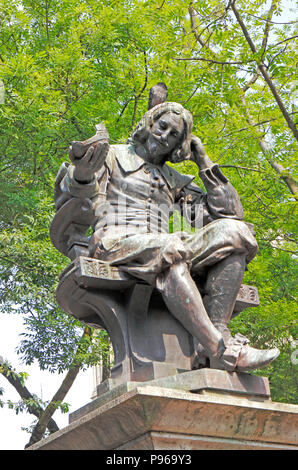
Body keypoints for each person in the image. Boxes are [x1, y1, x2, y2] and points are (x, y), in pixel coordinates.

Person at [54, 97, 279, 372]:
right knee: (172, 248)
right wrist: (82, 173)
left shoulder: (173, 180)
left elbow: (228, 214)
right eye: (162, 127)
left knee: (237, 234)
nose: (165, 137)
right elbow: (77, 196)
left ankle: (218, 337)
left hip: (166, 246)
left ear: (179, 145)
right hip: (115, 240)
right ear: (149, 123)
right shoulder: (112, 156)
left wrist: (203, 160)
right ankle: (220, 350)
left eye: (175, 135)